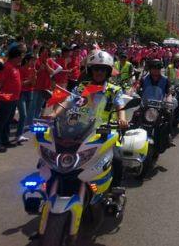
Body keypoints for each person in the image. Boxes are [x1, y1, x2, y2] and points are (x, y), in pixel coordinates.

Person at [49, 50, 129, 187]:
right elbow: (68, 101)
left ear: (108, 72)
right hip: (80, 131)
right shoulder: (82, 87)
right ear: (90, 70)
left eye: (103, 70)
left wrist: (122, 119)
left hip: (105, 133)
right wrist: (54, 114)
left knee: (117, 159)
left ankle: (116, 190)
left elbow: (120, 106)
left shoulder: (114, 90)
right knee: (56, 156)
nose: (99, 72)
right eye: (96, 69)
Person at [0, 44, 26, 153]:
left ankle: (4, 140)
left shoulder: (15, 67)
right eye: (21, 56)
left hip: (14, 99)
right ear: (15, 57)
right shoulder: (6, 67)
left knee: (7, 122)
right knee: (1, 122)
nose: (22, 58)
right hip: (6, 99)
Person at [17, 52, 37, 144]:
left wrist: (34, 79)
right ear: (26, 60)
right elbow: (19, 84)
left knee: (26, 114)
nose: (33, 62)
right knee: (23, 114)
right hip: (21, 93)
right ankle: (18, 135)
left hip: (30, 92)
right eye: (32, 60)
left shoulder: (33, 69)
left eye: (34, 60)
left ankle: (20, 133)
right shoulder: (20, 69)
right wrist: (29, 81)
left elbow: (33, 84)